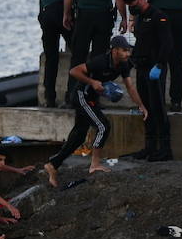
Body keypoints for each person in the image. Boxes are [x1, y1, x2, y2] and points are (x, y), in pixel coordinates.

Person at [42, 36, 137, 189]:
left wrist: (142, 106)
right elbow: (74, 71)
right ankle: (94, 164)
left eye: (128, 50)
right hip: (81, 96)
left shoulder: (124, 65)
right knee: (103, 126)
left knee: (79, 136)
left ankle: (53, 164)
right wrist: (92, 82)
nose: (128, 54)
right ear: (115, 50)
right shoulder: (100, 61)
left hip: (92, 99)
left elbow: (131, 88)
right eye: (125, 50)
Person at [63, 0, 127, 101]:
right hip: (102, 18)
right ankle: (93, 99)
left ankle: (72, 97)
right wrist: (124, 18)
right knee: (99, 59)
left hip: (83, 17)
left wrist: (66, 14)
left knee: (78, 56)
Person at [122, 0, 172, 160]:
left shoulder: (158, 17)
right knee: (146, 108)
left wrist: (159, 65)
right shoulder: (140, 18)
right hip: (142, 67)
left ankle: (165, 149)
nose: (131, 7)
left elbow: (166, 44)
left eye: (133, 2)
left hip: (154, 68)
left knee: (158, 108)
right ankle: (150, 147)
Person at [38, 0, 72, 107]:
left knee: (51, 59)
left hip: (46, 18)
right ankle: (71, 96)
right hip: (59, 12)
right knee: (78, 52)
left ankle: (49, 98)